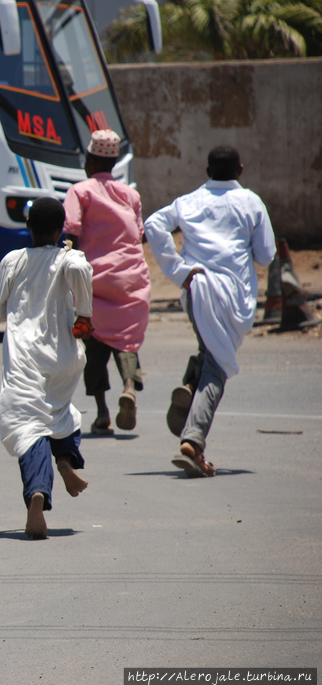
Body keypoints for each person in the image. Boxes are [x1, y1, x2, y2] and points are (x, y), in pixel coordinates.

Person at [144, 145, 276, 477]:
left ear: (207, 172)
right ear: (240, 170)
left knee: (210, 351)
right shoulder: (251, 202)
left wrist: (178, 270)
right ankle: (193, 441)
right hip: (233, 296)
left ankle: (191, 384)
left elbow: (153, 225)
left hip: (196, 289)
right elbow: (266, 255)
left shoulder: (189, 201)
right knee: (218, 367)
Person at [0, 197, 94, 540]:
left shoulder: (13, 260)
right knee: (61, 412)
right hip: (63, 354)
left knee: (27, 425)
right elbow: (80, 271)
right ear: (59, 229)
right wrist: (84, 314)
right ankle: (64, 459)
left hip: (25, 356)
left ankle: (37, 492)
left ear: (28, 228)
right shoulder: (68, 258)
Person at [63, 129, 151, 434]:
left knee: (94, 343)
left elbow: (71, 233)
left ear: (89, 159)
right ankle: (128, 386)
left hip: (94, 280)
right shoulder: (131, 194)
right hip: (131, 278)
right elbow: (140, 236)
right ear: (113, 163)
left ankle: (102, 412)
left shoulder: (80, 191)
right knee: (126, 338)